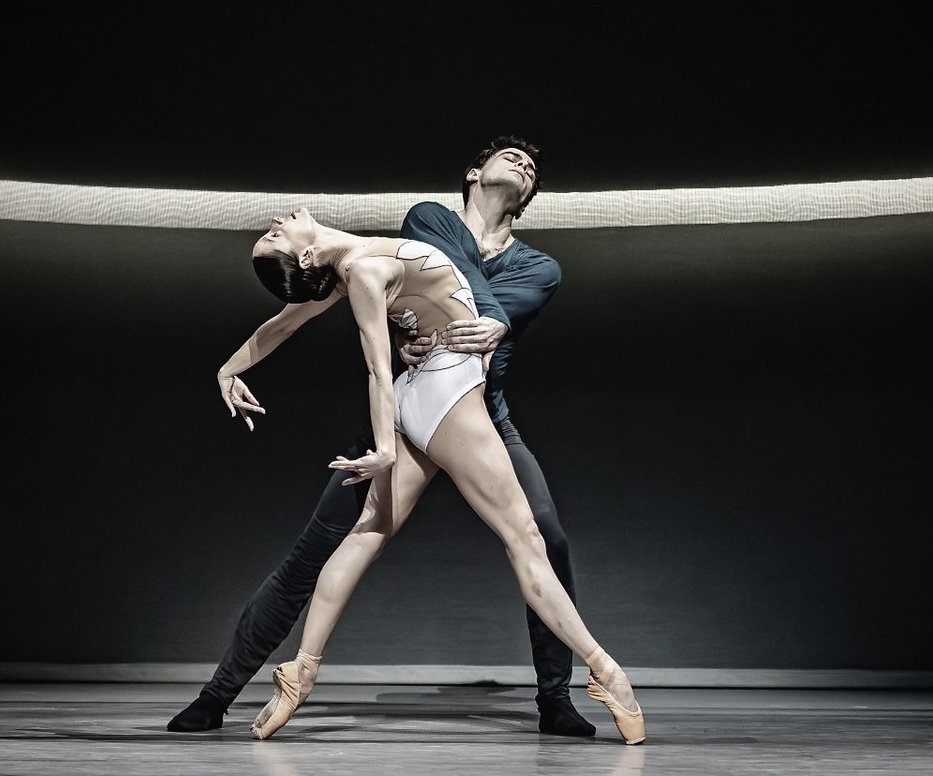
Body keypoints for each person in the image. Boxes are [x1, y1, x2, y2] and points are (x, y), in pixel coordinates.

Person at [168, 137, 596, 737]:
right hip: (411, 412)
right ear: (474, 173)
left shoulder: (538, 268)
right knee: (313, 552)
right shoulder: (429, 219)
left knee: (545, 539)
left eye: (533, 167)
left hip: (480, 417)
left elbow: (480, 314)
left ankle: (556, 699)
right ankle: (219, 693)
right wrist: (230, 367)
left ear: (528, 198)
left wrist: (470, 325)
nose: (524, 162)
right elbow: (418, 299)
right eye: (509, 155)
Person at [222, 204, 644, 745]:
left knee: (366, 534)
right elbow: (377, 367)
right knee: (525, 538)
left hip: (423, 391)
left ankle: (300, 674)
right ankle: (607, 673)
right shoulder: (365, 273)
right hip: (444, 391)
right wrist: (383, 451)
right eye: (271, 237)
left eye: (268, 232)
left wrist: (226, 370)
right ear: (306, 255)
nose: (274, 223)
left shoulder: (348, 265)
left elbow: (282, 324)